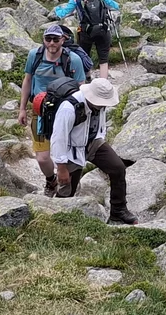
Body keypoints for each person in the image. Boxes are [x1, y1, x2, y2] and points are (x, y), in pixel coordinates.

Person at [48, 77, 137, 225]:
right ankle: (57, 221)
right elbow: (58, 139)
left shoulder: (99, 105)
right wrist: (62, 168)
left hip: (93, 141)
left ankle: (118, 210)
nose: (104, 106)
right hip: (71, 149)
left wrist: (100, 138)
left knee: (118, 168)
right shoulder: (68, 108)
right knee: (67, 189)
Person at [16, 22, 91, 195]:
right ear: (43, 40)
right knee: (42, 158)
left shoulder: (73, 60)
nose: (51, 43)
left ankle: (69, 185)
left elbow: (81, 87)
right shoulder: (34, 56)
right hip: (40, 111)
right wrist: (22, 109)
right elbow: (27, 81)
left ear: (63, 40)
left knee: (66, 151)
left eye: (55, 39)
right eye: (48, 39)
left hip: (65, 112)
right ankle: (51, 181)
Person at [54, 0, 119, 68]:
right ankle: (104, 81)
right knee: (103, 59)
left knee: (84, 55)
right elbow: (115, 6)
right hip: (103, 28)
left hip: (85, 31)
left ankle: (87, 78)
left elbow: (64, 13)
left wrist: (57, 9)